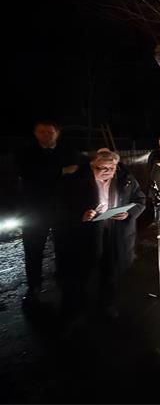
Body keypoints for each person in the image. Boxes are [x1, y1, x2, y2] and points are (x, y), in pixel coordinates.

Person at [64, 149, 146, 322]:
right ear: (92, 165)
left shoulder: (126, 178)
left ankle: (107, 304)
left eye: (111, 168)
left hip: (116, 232)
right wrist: (80, 215)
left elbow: (140, 200)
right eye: (101, 168)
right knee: (84, 271)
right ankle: (77, 307)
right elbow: (64, 205)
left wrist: (129, 213)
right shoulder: (78, 180)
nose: (107, 171)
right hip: (88, 233)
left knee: (111, 271)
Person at [15, 120, 80, 304]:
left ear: (57, 133)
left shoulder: (68, 151)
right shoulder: (26, 152)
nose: (45, 135)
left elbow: (77, 173)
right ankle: (34, 285)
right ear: (35, 133)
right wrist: (61, 171)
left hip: (63, 209)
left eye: (49, 132)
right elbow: (28, 174)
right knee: (33, 249)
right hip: (34, 210)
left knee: (64, 247)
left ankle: (64, 278)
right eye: (41, 132)